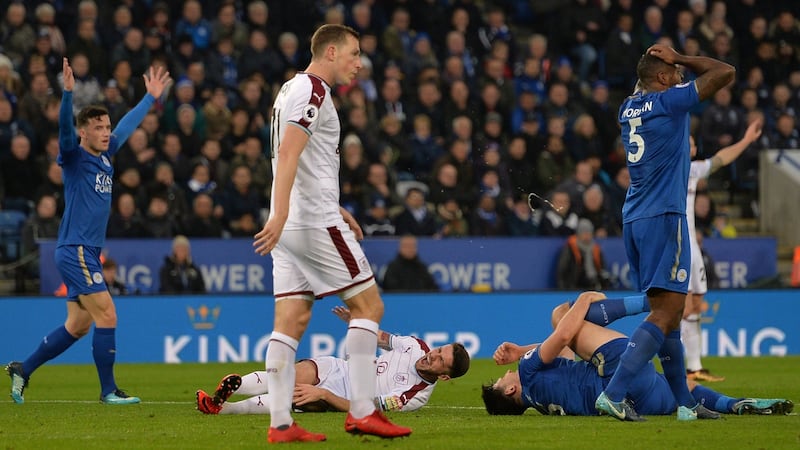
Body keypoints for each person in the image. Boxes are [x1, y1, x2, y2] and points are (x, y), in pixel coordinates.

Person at [252, 24, 411, 443]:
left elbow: (301, 162)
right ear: (332, 51)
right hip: (310, 222)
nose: (360, 63)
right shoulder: (314, 91)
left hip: (296, 224)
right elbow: (288, 152)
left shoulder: (289, 90)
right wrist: (283, 212)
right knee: (369, 307)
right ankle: (361, 411)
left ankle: (281, 423)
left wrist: (325, 209)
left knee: (290, 321)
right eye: (355, 54)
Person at [5, 58, 170, 405]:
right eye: (98, 127)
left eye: (106, 126)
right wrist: (67, 95)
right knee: (108, 313)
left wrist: (149, 98)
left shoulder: (107, 154)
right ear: (84, 132)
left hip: (87, 250)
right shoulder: (74, 157)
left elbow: (127, 126)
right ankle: (108, 391)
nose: (106, 132)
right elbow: (64, 133)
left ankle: (23, 368)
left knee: (78, 326)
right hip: (76, 248)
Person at [594, 43, 736, 422]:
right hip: (665, 215)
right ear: (662, 78)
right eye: (674, 72)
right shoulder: (669, 102)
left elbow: (651, 88)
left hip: (635, 217)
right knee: (669, 310)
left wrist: (668, 63)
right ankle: (614, 393)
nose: (681, 77)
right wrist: (682, 56)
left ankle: (685, 404)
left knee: (668, 315)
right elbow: (725, 72)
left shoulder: (627, 109)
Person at [482, 292, 793, 418]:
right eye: (500, 380)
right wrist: (585, 299)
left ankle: (733, 405)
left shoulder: (542, 403)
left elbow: (564, 350)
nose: (505, 374)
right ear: (510, 389)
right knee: (561, 313)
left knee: (685, 391)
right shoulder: (526, 371)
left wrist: (523, 348)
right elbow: (563, 335)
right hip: (614, 374)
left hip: (637, 397)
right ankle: (651, 301)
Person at [196, 306, 469, 415]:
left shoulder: (414, 397)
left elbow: (364, 409)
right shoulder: (416, 345)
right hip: (342, 369)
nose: (431, 355)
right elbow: (383, 338)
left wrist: (324, 394)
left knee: (292, 395)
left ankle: (225, 410)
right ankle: (226, 392)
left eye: (438, 361)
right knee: (289, 373)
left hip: (341, 395)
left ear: (443, 376)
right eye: (438, 350)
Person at [683, 119, 763, 383]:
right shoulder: (666, 170)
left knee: (695, 305)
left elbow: (721, 158)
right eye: (690, 143)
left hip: (691, 245)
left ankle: (694, 367)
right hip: (676, 245)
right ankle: (655, 359)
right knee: (678, 308)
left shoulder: (692, 171)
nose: (694, 147)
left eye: (694, 144)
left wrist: (746, 140)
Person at [556, 219, 609, 290]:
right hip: (575, 285)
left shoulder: (595, 248)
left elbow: (602, 268)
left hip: (594, 283)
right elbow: (562, 271)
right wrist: (563, 289)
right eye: (584, 233)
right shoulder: (570, 248)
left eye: (589, 233)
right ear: (578, 234)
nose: (587, 236)